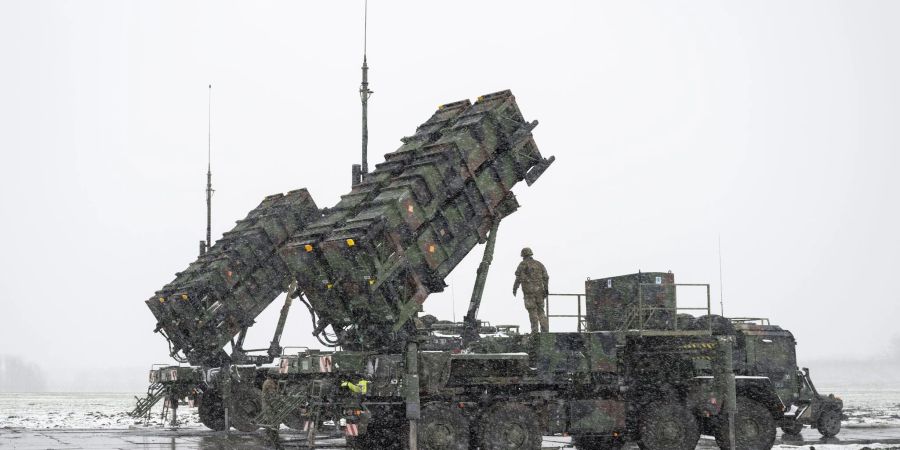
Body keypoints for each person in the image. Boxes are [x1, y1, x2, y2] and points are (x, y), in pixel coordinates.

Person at [513, 247, 549, 333]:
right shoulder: (539, 264)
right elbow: (546, 277)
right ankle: (545, 330)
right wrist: (546, 289)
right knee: (541, 311)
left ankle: (535, 331)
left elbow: (518, 278)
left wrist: (515, 288)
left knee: (532, 311)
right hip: (540, 292)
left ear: (523, 255)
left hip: (529, 293)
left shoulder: (523, 264)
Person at [261, 377, 282, 449]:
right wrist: (279, 397)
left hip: (268, 408)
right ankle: (274, 443)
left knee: (269, 425)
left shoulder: (267, 382)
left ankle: (268, 441)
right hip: (269, 409)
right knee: (273, 425)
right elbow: (272, 395)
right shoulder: (269, 383)